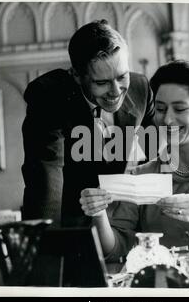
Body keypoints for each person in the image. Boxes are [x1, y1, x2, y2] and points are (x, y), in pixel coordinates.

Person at [80, 60, 189, 261]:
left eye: (180, 109)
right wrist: (98, 213)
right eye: (161, 109)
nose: (167, 120)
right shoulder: (140, 173)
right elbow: (115, 249)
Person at [21, 20, 154, 227]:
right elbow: (46, 179)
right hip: (72, 223)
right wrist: (48, 246)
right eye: (101, 83)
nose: (116, 91)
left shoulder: (141, 88)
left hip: (127, 218)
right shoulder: (48, 95)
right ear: (76, 75)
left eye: (122, 77)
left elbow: (156, 153)